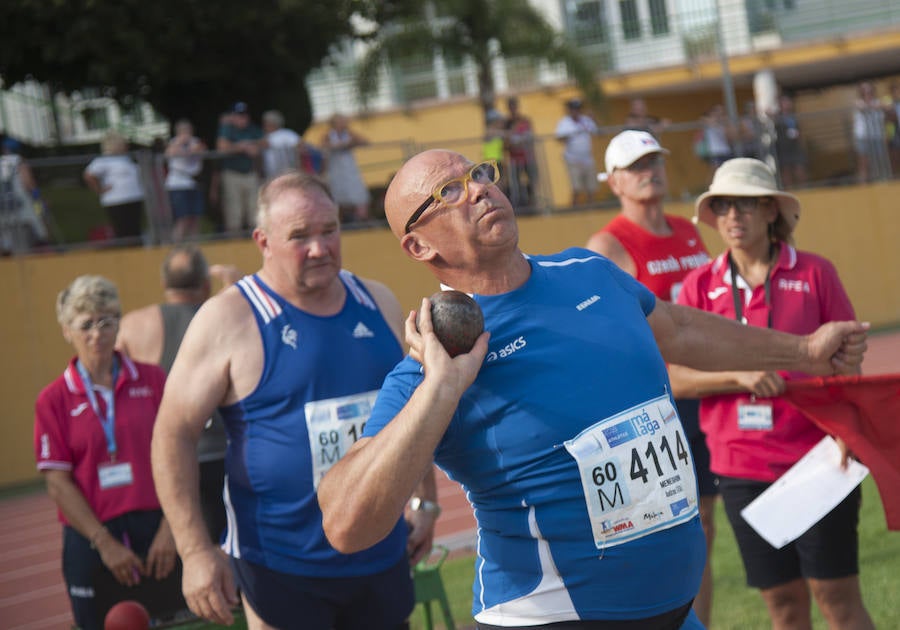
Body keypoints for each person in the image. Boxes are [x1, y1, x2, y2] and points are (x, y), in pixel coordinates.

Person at [316, 148, 868, 629]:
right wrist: (439, 392)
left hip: (674, 613)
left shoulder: (587, 272)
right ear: (418, 246)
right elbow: (346, 525)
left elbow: (680, 328)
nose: (480, 190)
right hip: (554, 617)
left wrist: (804, 351)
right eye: (450, 191)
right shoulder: (441, 358)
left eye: (480, 174)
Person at [150, 172, 438, 629]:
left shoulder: (376, 300)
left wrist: (425, 500)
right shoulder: (229, 318)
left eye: (329, 230)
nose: (320, 248)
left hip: (380, 551)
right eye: (300, 237)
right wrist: (195, 551)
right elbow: (172, 434)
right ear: (262, 241)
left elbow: (413, 411)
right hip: (281, 565)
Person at [668, 158, 875, 630]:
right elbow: (676, 378)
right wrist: (739, 376)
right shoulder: (700, 285)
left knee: (837, 595)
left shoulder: (816, 273)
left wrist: (847, 429)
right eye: (722, 206)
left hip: (819, 458)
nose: (732, 217)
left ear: (770, 212)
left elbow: (848, 363)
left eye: (744, 205)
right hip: (742, 465)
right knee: (782, 602)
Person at [585, 129, 716, 627]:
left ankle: (700, 621)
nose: (650, 171)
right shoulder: (609, 243)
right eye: (637, 165)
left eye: (655, 160)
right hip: (663, 399)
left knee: (708, 522)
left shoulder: (687, 230)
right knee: (678, 526)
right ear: (614, 180)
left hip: (711, 389)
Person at [34, 275, 183, 630]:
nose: (97, 333)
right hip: (91, 538)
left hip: (157, 531)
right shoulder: (53, 399)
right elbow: (57, 484)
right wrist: (105, 544)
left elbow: (179, 451)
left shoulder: (152, 380)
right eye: (86, 324)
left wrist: (171, 528)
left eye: (107, 321)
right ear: (67, 331)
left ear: (119, 323)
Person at [116, 246, 240, 544]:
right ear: (206, 284)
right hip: (226, 454)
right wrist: (236, 287)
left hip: (168, 456)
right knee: (234, 553)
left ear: (164, 284)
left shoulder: (134, 325)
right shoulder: (229, 315)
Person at [83, 132, 145, 241]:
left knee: (135, 230)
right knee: (123, 230)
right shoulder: (103, 160)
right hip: (116, 200)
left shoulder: (126, 159)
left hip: (134, 197)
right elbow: (89, 175)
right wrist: (99, 189)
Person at [216, 102, 263, 233]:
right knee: (234, 209)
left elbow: (265, 141)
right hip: (232, 174)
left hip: (250, 173)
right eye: (239, 115)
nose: (242, 118)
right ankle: (234, 240)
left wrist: (253, 146)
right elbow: (221, 146)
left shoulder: (252, 129)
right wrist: (240, 147)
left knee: (254, 208)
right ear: (232, 116)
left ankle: (254, 239)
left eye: (244, 115)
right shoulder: (227, 128)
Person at [0, 135, 50, 254]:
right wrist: (38, 197)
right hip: (22, 202)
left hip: (3, 205)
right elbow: (28, 182)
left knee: (5, 235)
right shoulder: (16, 160)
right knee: (39, 218)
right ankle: (44, 245)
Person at [321, 113, 371, 222]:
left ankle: (362, 219)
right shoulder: (329, 135)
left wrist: (352, 143)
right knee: (337, 194)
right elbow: (323, 147)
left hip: (349, 168)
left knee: (357, 192)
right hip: (335, 169)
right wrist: (340, 145)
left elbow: (365, 142)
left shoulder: (349, 134)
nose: (344, 124)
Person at [164, 120, 208, 242]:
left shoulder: (196, 142)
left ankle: (195, 247)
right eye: (182, 132)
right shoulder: (173, 143)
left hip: (193, 183)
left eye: (187, 131)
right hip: (177, 185)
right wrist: (180, 143)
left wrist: (189, 149)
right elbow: (169, 153)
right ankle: (177, 247)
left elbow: (200, 151)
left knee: (195, 218)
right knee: (182, 219)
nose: (186, 134)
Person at [555, 97, 600, 206]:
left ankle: (592, 209)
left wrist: (594, 119)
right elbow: (559, 138)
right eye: (573, 109)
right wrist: (571, 135)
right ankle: (575, 210)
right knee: (577, 187)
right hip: (573, 159)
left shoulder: (586, 120)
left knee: (591, 187)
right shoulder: (564, 123)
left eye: (578, 109)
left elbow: (598, 132)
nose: (576, 111)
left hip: (587, 158)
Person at [504, 96, 539, 209]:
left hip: (527, 157)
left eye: (514, 105)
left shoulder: (524, 120)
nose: (513, 108)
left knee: (532, 180)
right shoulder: (507, 123)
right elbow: (506, 141)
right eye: (511, 106)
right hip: (514, 158)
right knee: (516, 183)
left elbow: (531, 136)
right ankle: (519, 204)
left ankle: (532, 202)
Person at [772, 95, 808, 189]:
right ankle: (790, 190)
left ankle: (804, 190)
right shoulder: (777, 117)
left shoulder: (794, 116)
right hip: (783, 148)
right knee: (786, 172)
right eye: (784, 102)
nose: (787, 104)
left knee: (800, 170)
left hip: (795, 147)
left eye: (788, 102)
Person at [260, 109, 302, 181]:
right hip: (271, 174)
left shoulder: (287, 133)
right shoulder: (265, 135)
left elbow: (300, 145)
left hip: (287, 172)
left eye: (266, 122)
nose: (264, 125)